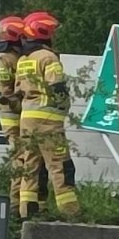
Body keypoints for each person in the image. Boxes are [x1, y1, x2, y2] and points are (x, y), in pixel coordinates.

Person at [16, 11, 80, 220]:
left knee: (30, 167)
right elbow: (57, 87)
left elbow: (17, 91)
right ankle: (70, 214)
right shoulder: (48, 58)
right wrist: (65, 107)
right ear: (45, 33)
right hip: (48, 122)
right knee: (60, 165)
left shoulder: (23, 60)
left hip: (26, 120)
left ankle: (27, 214)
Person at [0, 15, 46, 211]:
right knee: (22, 157)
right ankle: (16, 203)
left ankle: (23, 201)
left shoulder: (8, 57)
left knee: (25, 156)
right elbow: (4, 92)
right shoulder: (5, 60)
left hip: (14, 114)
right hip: (14, 115)